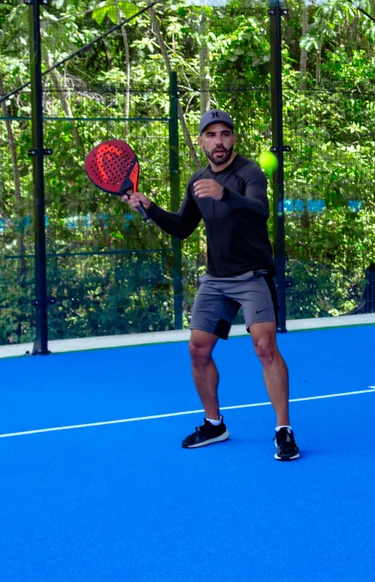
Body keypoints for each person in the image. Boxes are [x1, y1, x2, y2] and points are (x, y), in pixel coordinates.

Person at [123, 109, 299, 461]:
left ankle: (284, 431)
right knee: (198, 350)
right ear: (202, 141)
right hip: (216, 280)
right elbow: (182, 228)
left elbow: (260, 210)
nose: (219, 141)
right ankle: (214, 423)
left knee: (265, 348)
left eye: (225, 134)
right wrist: (151, 208)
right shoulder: (197, 180)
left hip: (253, 275)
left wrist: (225, 195)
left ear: (233, 139)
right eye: (211, 135)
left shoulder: (249, 172)